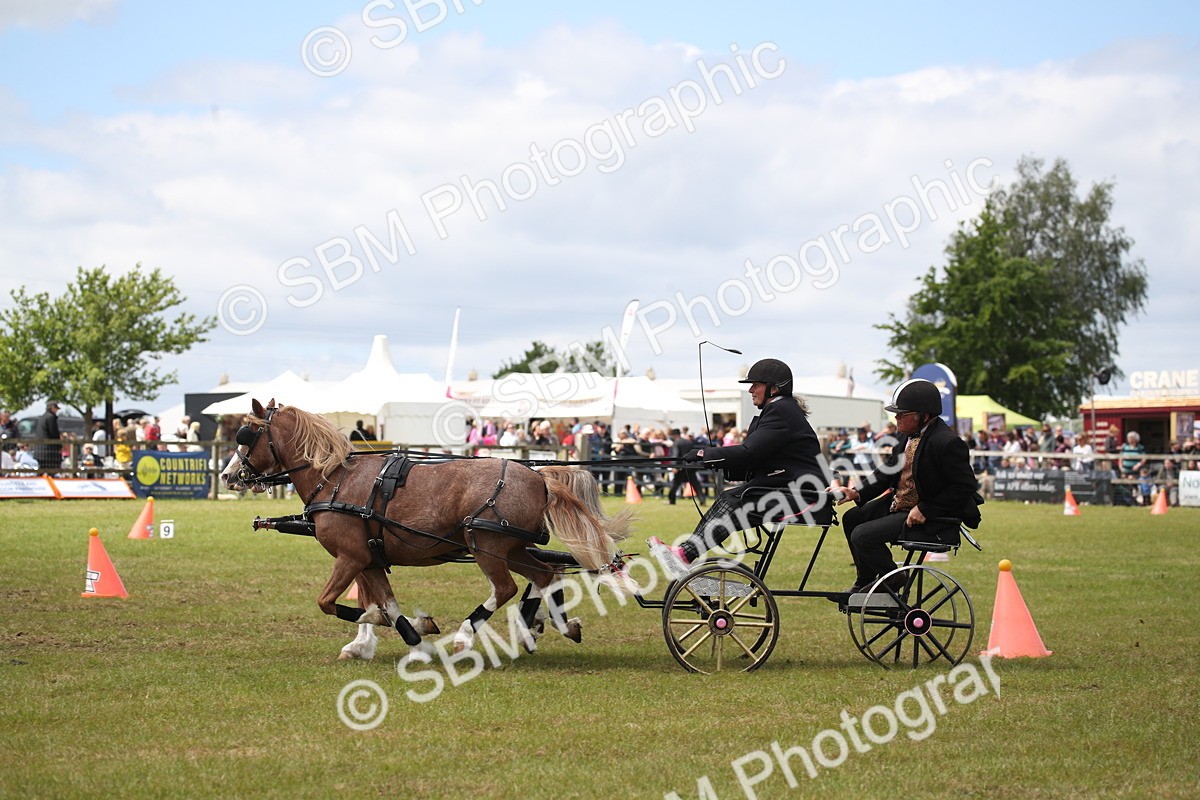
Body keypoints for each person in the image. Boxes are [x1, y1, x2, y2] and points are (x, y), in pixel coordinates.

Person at [649, 358, 824, 571]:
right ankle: (685, 553)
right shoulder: (780, 410)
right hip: (789, 489)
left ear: (774, 388)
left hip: (803, 496)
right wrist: (712, 461)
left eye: (756, 385)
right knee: (729, 498)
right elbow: (757, 458)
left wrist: (705, 453)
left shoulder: (782, 411)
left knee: (733, 501)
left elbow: (749, 452)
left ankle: (686, 553)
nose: (751, 390)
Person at [833, 379, 981, 594]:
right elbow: (887, 471)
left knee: (862, 535)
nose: (896, 418)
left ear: (924, 415)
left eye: (902, 414)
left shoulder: (947, 442)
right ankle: (865, 579)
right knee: (852, 518)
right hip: (900, 504)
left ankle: (893, 578)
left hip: (930, 515)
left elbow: (964, 486)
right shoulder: (905, 437)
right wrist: (857, 492)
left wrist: (926, 509)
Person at [666, 427, 705, 505]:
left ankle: (672, 500)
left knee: (675, 484)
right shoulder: (689, 442)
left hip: (681, 467)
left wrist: (674, 466)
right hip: (691, 466)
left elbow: (675, 455)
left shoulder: (676, 443)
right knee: (696, 484)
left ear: (674, 435)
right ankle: (702, 500)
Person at [34, 401, 62, 474]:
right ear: (52, 408)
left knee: (41, 471)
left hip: (40, 451)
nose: (57, 411)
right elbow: (54, 433)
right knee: (51, 472)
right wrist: (59, 445)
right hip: (49, 451)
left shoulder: (42, 417)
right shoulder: (51, 417)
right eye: (56, 409)